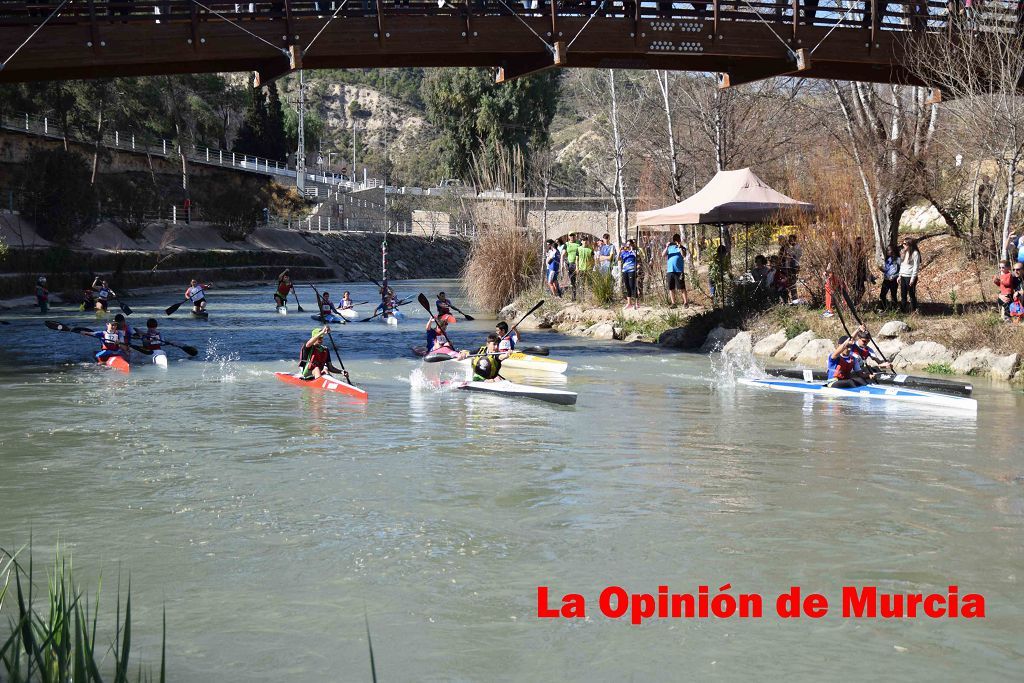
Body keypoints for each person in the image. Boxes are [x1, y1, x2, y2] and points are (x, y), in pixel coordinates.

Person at [662, 233, 688, 307]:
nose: (675, 241)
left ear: (679, 240)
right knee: (671, 287)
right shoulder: (670, 248)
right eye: (674, 239)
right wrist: (666, 247)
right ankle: (673, 303)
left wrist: (680, 247)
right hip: (670, 270)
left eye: (677, 239)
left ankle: (686, 302)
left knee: (682, 287)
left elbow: (684, 255)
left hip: (679, 270)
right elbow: (663, 255)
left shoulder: (682, 247)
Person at [899, 237, 920, 313]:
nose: (903, 245)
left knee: (911, 295)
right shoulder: (903, 252)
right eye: (903, 243)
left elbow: (916, 267)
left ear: (909, 244)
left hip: (910, 276)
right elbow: (902, 265)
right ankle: (903, 311)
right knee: (903, 295)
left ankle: (914, 310)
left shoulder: (915, 253)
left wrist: (912, 278)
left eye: (905, 244)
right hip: (903, 276)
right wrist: (899, 275)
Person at [619, 239, 639, 309]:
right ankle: (629, 303)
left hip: (632, 270)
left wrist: (632, 249)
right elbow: (619, 259)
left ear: (632, 245)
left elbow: (637, 256)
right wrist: (620, 251)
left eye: (629, 244)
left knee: (632, 286)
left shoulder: (634, 251)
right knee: (627, 287)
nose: (628, 246)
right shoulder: (624, 252)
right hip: (625, 271)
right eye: (627, 244)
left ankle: (636, 303)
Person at [564, 234, 580, 300]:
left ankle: (581, 296)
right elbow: (563, 254)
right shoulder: (566, 244)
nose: (572, 237)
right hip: (570, 264)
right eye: (571, 236)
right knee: (572, 281)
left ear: (575, 236)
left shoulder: (578, 243)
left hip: (578, 264)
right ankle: (574, 296)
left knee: (579, 280)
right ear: (568, 237)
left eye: (573, 236)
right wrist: (563, 264)